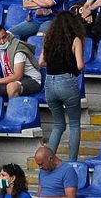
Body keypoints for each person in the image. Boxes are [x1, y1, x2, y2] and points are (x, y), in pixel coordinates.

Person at [37, 12, 85, 161]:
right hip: (67, 81)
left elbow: (41, 62)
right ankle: (72, 161)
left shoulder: (48, 39)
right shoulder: (75, 39)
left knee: (58, 125)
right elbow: (80, 65)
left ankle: (46, 161)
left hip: (50, 83)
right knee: (75, 124)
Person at [0, 24, 43, 97]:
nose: (2, 42)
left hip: (30, 80)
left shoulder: (17, 48)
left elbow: (18, 76)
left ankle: (14, 108)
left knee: (12, 87)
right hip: (6, 80)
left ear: (7, 35)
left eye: (4, 37)